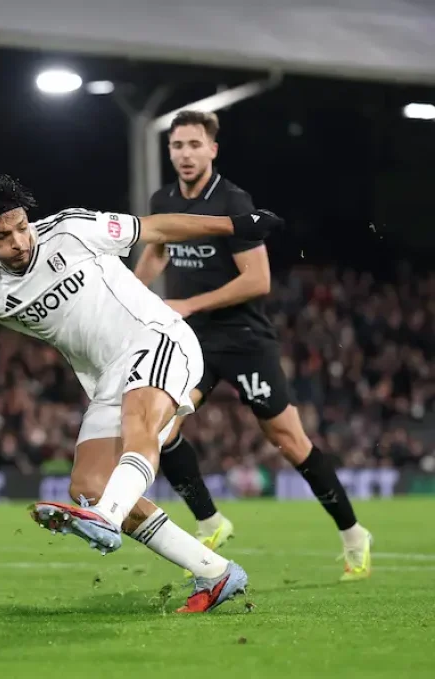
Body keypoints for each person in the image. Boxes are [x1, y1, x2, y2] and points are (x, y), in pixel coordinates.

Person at [0, 174, 284, 613]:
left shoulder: (72, 230)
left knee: (138, 427)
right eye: (2, 236)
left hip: (156, 338)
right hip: (107, 378)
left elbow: (156, 228)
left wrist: (235, 225)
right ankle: (215, 572)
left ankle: (106, 518)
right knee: (89, 486)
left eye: (21, 227)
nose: (19, 242)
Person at [134, 110, 372, 582]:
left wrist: (188, 303)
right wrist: (130, 298)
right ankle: (210, 522)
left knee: (289, 442)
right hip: (194, 341)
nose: (185, 154)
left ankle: (354, 535)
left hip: (244, 339)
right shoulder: (163, 201)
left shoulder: (233, 201)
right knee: (161, 426)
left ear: (212, 150)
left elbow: (258, 280)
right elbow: (156, 252)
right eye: (177, 145)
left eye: (194, 145)